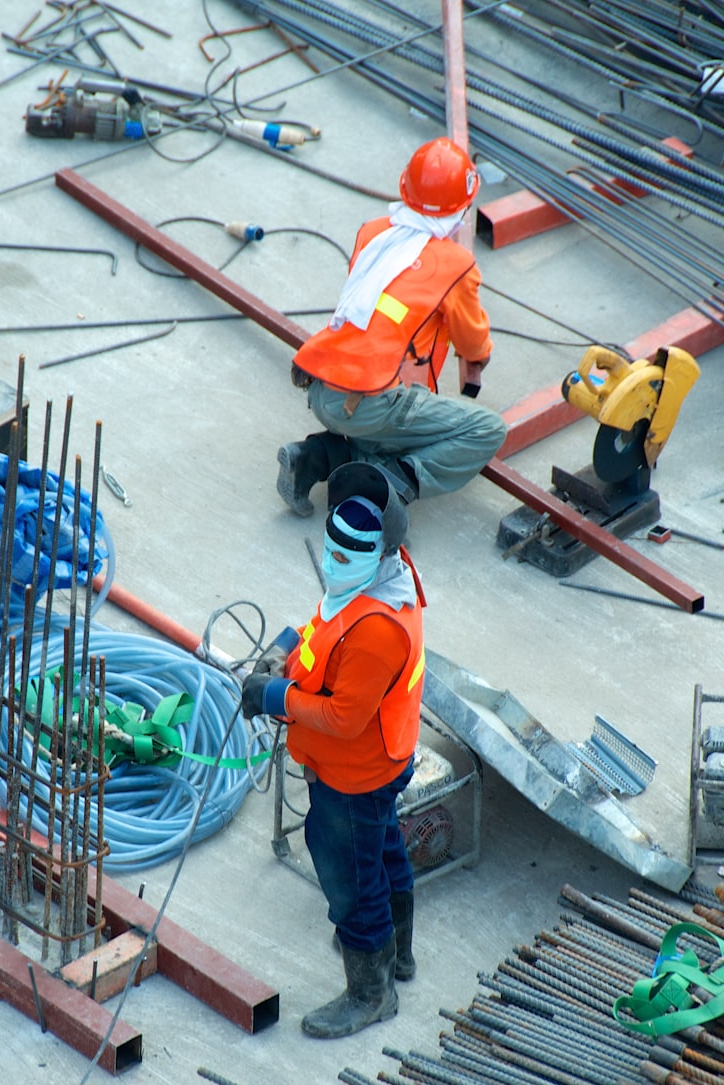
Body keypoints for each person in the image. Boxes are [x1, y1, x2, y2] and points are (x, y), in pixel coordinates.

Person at [242, 461, 425, 1039]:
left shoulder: (377, 630)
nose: (334, 562)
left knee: (351, 880)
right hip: (381, 762)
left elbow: (345, 718)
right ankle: (396, 955)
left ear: (381, 552)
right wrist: (285, 648)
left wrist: (275, 695)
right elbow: (325, 631)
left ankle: (372, 993)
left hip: (355, 775)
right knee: (383, 849)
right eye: (331, 549)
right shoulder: (376, 582)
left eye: (348, 555)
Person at [276, 135, 507, 518]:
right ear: (462, 208)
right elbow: (472, 343)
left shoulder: (374, 232)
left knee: (393, 426)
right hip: (369, 403)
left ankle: (313, 458)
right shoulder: (456, 264)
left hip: (321, 386)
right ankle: (387, 485)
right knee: (486, 429)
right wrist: (480, 355)